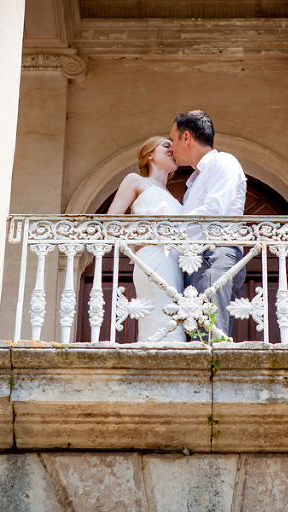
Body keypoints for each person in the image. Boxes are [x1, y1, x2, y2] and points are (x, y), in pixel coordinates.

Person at [168, 110, 247, 338]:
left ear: (186, 137)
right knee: (197, 334)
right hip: (196, 259)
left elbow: (214, 212)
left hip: (214, 255)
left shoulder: (223, 162)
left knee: (209, 335)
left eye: (173, 139)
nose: (171, 147)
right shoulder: (194, 181)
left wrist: (169, 230)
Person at [107, 137, 185, 342]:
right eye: (166, 146)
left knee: (175, 316)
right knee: (158, 316)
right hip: (152, 257)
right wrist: (144, 234)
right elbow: (110, 223)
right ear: (149, 154)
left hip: (177, 262)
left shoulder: (174, 197)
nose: (172, 149)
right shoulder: (135, 180)